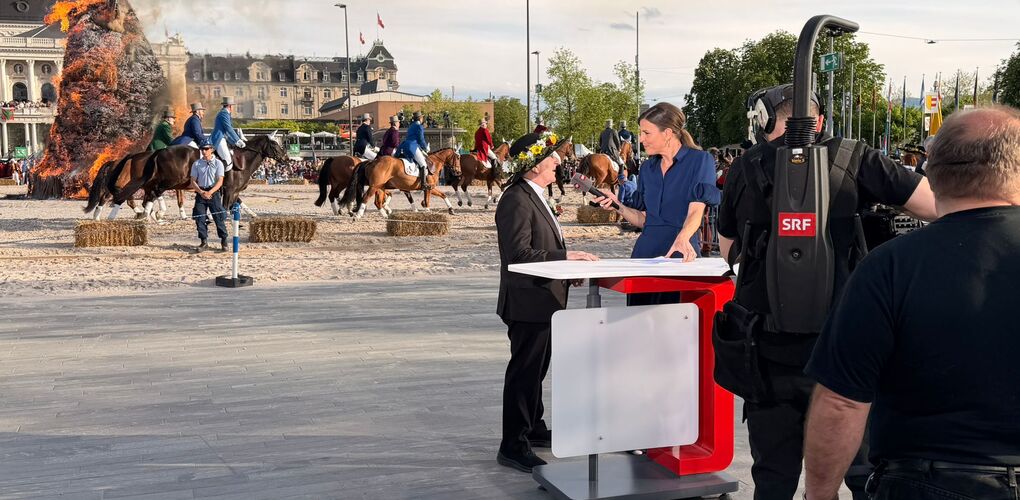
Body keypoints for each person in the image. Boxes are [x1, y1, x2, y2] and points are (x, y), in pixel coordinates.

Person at [714, 83, 937, 500]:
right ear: (819, 120)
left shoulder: (745, 166)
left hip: (767, 350)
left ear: (762, 121)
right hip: (847, 347)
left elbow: (729, 248)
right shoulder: (857, 157)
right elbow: (934, 205)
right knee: (863, 470)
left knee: (773, 476)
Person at [802, 106, 1020, 500]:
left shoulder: (890, 266)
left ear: (931, 175)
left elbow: (840, 402)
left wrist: (820, 493)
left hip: (927, 480)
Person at [495, 136, 599, 474]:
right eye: (552, 157)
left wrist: (565, 273)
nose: (558, 162)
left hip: (546, 298)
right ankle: (513, 445)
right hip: (528, 301)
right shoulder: (516, 199)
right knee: (525, 373)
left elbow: (540, 247)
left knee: (537, 370)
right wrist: (565, 257)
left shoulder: (535, 195)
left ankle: (534, 428)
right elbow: (518, 254)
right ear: (535, 164)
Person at [593, 103, 719, 305]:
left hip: (680, 256)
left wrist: (683, 238)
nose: (641, 139)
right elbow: (645, 220)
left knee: (678, 320)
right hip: (644, 257)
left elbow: (696, 209)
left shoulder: (700, 161)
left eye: (646, 133)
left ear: (667, 133)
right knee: (639, 319)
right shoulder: (647, 168)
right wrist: (618, 205)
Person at [189, 143, 229, 252]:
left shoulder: (218, 163)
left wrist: (210, 192)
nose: (204, 151)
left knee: (218, 217)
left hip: (213, 193)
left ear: (211, 149)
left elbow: (220, 181)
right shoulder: (197, 163)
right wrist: (201, 192)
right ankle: (204, 241)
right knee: (199, 217)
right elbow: (193, 180)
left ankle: (224, 240)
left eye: (206, 149)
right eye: (202, 149)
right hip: (201, 192)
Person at [210, 96, 245, 171]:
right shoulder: (224, 113)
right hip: (219, 138)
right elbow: (228, 128)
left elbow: (228, 130)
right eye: (232, 106)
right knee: (228, 161)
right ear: (230, 106)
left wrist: (235, 141)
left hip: (223, 138)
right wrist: (237, 140)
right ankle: (215, 175)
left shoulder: (225, 114)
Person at [398, 111, 430, 191]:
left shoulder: (411, 126)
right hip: (412, 146)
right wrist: (425, 148)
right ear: (420, 118)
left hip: (405, 145)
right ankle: (423, 184)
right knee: (423, 164)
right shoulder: (419, 126)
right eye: (422, 117)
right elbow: (421, 139)